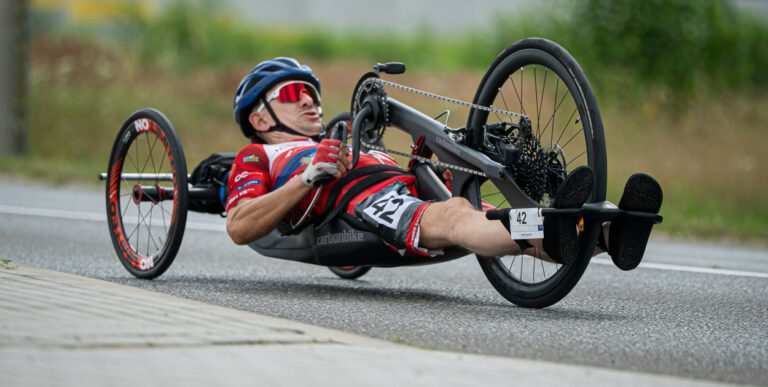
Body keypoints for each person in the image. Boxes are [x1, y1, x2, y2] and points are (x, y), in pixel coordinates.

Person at [225, 57, 662, 269]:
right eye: (289, 94)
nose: (307, 100)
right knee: (458, 216)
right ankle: (557, 227)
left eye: (311, 92)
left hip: (406, 192)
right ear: (259, 117)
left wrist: (431, 165)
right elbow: (240, 226)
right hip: (356, 205)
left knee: (490, 215)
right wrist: (307, 175)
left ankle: (606, 233)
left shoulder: (345, 138)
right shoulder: (259, 154)